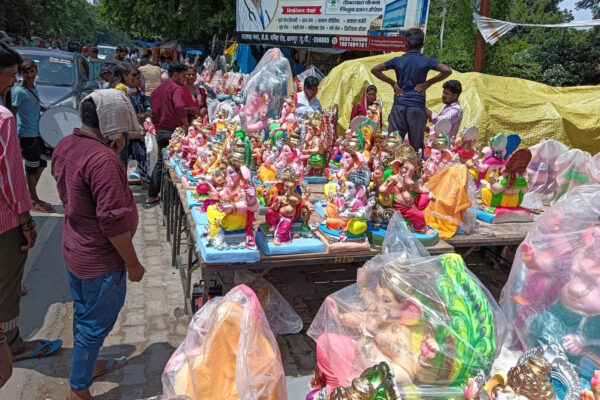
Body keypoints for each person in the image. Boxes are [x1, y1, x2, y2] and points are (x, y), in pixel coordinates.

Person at [51, 90, 145, 400]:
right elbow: (112, 222)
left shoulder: (67, 144)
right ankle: (78, 389)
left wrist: (110, 151)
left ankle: (88, 366)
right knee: (93, 324)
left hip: (75, 248)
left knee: (83, 314)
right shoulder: (103, 160)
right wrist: (133, 263)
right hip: (100, 260)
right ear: (112, 121)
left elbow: (76, 190)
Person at [0, 41, 62, 388]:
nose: (12, 82)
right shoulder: (4, 119)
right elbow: (11, 180)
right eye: (9, 75)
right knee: (7, 286)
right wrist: (26, 222)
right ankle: (12, 345)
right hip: (4, 221)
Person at [371, 28, 452, 153]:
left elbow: (375, 69)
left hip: (399, 106)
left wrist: (392, 83)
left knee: (393, 144)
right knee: (416, 146)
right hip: (417, 108)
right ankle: (416, 165)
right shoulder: (427, 60)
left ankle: (393, 165)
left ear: (406, 44)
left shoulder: (398, 60)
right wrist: (428, 83)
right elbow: (447, 70)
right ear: (422, 45)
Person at [10, 58, 55, 212]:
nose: (29, 75)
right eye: (26, 72)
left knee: (42, 163)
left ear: (36, 71)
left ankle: (30, 195)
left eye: (32, 71)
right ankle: (34, 200)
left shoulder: (34, 88)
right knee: (31, 168)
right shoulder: (19, 91)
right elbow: (12, 113)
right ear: (21, 74)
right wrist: (14, 136)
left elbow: (32, 106)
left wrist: (44, 109)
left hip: (38, 132)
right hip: (27, 134)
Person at [147, 62, 188, 204]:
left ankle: (152, 195)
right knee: (179, 164)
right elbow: (179, 106)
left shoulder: (158, 90)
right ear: (175, 74)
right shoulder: (176, 89)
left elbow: (154, 113)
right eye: (184, 76)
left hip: (161, 131)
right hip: (173, 132)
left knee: (160, 162)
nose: (185, 79)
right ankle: (174, 198)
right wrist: (187, 126)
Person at [126, 68, 152, 188]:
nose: (139, 81)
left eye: (140, 78)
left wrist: (145, 114)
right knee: (124, 156)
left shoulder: (140, 92)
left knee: (142, 155)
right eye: (137, 78)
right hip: (126, 130)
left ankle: (145, 180)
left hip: (138, 130)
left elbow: (148, 106)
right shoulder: (123, 92)